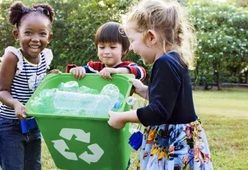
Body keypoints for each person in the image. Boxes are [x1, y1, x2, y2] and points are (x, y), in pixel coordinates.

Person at [107, 0, 213, 169]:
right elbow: (168, 100)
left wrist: (122, 117)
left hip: (172, 143)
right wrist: (143, 90)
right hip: (181, 139)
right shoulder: (174, 59)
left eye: (133, 40)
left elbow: (159, 112)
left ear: (151, 37)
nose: (132, 48)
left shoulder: (164, 63)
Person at [0, 1, 55, 170]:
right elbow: (1, 91)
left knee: (33, 166)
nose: (35, 39)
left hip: (33, 123)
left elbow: (40, 84)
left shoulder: (46, 57)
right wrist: (15, 103)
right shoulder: (13, 58)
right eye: (28, 33)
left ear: (49, 37)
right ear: (17, 34)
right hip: (9, 125)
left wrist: (52, 77)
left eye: (42, 34)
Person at [66, 21, 146, 81]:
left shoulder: (128, 66)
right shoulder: (95, 68)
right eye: (102, 47)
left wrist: (116, 71)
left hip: (122, 103)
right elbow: (83, 70)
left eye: (112, 47)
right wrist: (78, 70)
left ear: (124, 50)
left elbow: (141, 72)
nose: (106, 51)